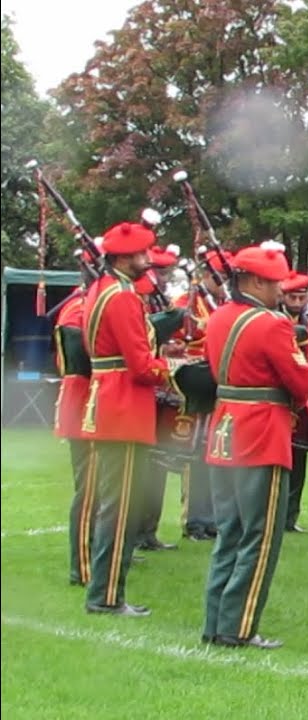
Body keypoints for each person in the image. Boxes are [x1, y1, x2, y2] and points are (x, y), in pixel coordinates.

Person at [201, 242, 308, 648]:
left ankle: (216, 621)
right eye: (272, 283)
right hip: (261, 433)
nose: (279, 291)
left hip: (225, 429)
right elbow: (302, 384)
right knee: (259, 535)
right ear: (250, 281)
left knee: (229, 531)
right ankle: (238, 626)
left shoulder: (218, 317)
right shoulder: (272, 324)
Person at [79, 221, 172, 617]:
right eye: (141, 254)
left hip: (107, 399)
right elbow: (140, 365)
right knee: (120, 508)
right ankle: (106, 596)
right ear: (122, 257)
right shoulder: (122, 297)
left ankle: (104, 591)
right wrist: (170, 368)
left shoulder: (101, 290)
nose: (147, 260)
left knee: (112, 503)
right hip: (123, 405)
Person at [172, 248, 228, 542]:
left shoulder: (222, 305)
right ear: (206, 276)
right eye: (219, 277)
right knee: (195, 456)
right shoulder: (186, 303)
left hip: (216, 386)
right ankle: (194, 519)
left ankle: (212, 518)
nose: (223, 283)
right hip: (194, 387)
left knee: (213, 453)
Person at [54, 247, 98, 586]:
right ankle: (81, 565)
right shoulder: (78, 309)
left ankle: (99, 549)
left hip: (97, 404)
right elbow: (81, 360)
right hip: (85, 402)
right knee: (89, 489)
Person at [135, 244, 183, 552]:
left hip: (160, 391)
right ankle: (134, 532)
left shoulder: (156, 303)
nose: (163, 278)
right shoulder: (137, 303)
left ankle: (149, 530)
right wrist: (163, 353)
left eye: (166, 272)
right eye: (159, 271)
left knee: (159, 464)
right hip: (144, 391)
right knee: (140, 468)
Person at [281, 268, 308, 532]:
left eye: (302, 297)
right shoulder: (276, 319)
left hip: (305, 398)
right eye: (292, 297)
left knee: (300, 459)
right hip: (283, 395)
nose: (297, 302)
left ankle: (290, 517)